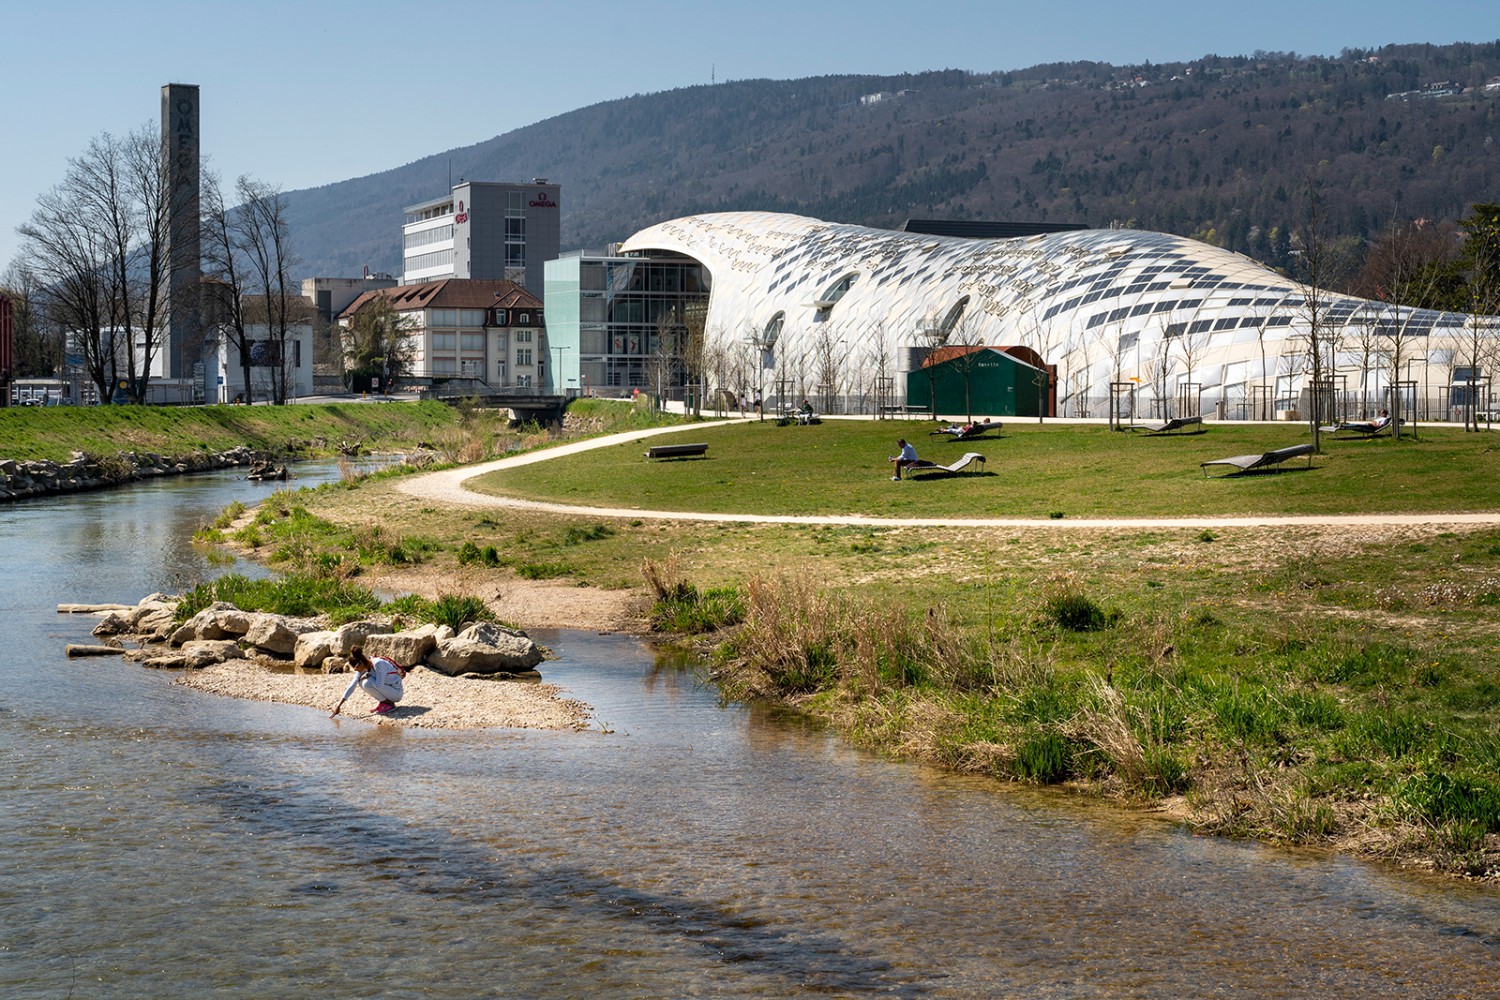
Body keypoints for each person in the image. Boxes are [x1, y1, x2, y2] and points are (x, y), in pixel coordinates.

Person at [330, 646, 407, 717]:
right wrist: (339, 705)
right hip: (388, 690)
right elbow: (352, 685)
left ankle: (389, 704)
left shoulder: (378, 664)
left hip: (396, 693)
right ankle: (384, 703)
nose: (355, 670)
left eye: (356, 667)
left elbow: (379, 686)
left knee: (366, 681)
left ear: (361, 663)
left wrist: (367, 676)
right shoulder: (363, 667)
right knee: (362, 682)